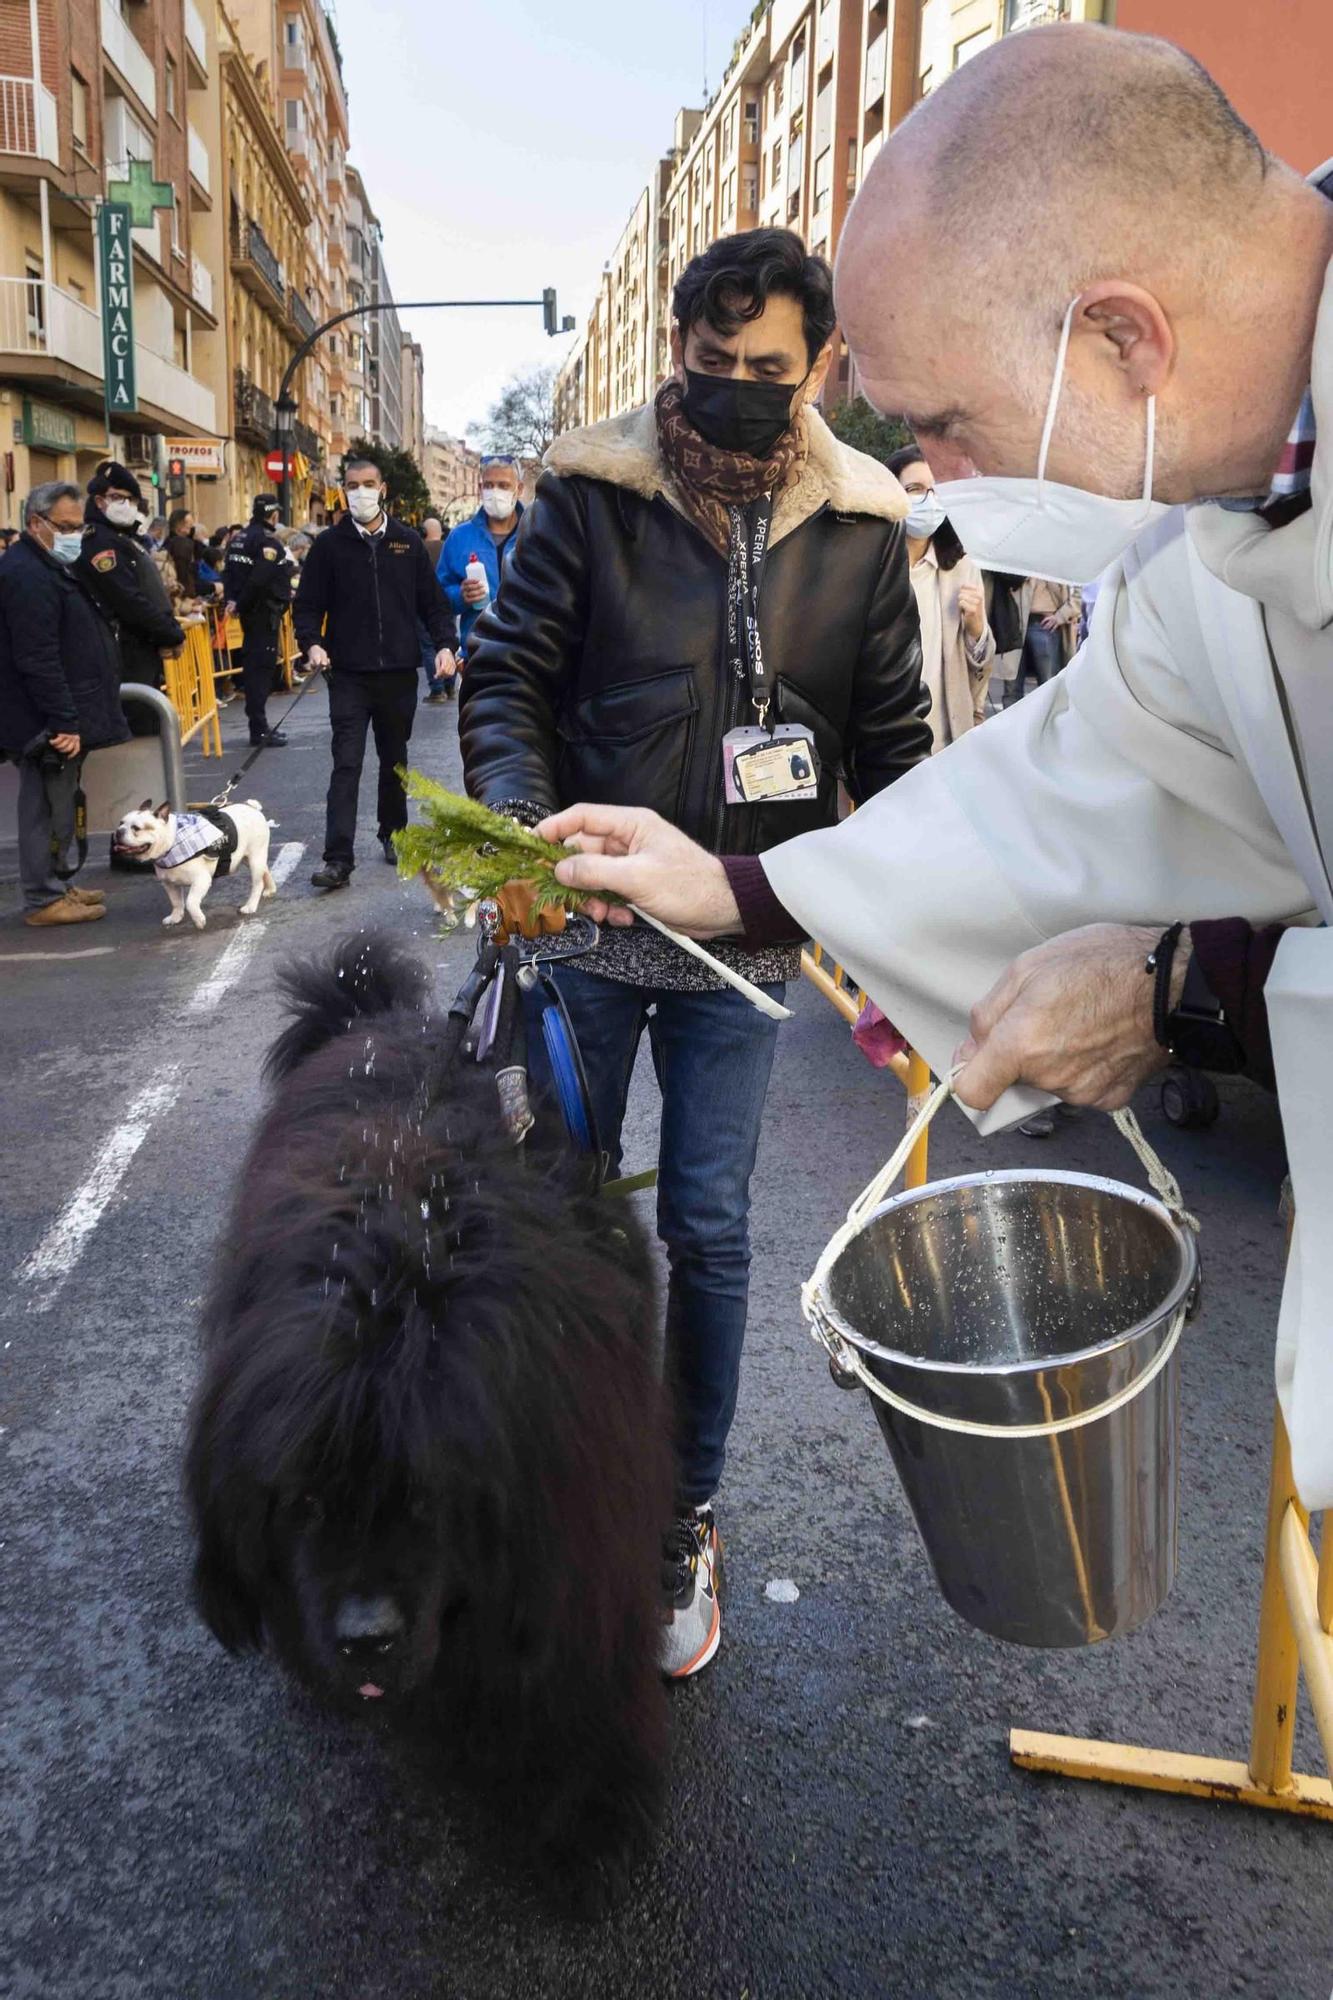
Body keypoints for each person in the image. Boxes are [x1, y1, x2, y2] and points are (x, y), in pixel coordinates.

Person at [534, 28, 1333, 1516]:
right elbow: (1073, 772)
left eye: (948, 426)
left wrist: (1185, 984)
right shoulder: (1213, 534)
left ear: (1123, 340)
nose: (941, 486)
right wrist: (737, 883)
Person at [459, 225, 928, 1677]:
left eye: (766, 369)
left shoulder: (862, 531)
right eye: (711, 364)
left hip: (750, 940)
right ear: (677, 352)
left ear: (821, 368)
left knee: (709, 1230)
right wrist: (522, 833)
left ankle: (681, 1512)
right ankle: (558, 1488)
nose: (734, 388)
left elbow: (902, 752)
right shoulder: (590, 496)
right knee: (565, 1217)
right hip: (592, 929)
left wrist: (906, 927)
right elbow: (508, 681)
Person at [295, 455, 458, 887]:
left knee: (394, 759)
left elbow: (434, 604)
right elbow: (307, 605)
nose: (361, 492)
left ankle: (394, 833)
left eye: (368, 483)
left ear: (383, 488)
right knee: (346, 763)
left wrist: (445, 645)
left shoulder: (408, 543)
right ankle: (338, 858)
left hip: (399, 674)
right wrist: (311, 643)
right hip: (347, 673)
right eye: (352, 485)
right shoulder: (328, 546)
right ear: (343, 490)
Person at [0, 482, 127, 926]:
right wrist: (63, 721)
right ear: (36, 524)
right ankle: (41, 898)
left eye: (80, 527)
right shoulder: (27, 574)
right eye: (66, 527)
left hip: (55, 713)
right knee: (41, 806)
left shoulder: (47, 564)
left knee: (57, 802)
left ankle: (56, 883)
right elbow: (37, 657)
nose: (75, 535)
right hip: (41, 720)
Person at [886, 445, 994, 750]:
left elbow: (982, 665)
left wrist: (977, 628)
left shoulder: (960, 567)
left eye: (936, 490)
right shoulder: (869, 569)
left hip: (944, 739)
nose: (928, 500)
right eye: (914, 489)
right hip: (884, 742)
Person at [77, 462, 184, 697]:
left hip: (140, 647)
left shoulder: (123, 538)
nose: (126, 505)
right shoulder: (100, 542)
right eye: (117, 497)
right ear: (99, 501)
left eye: (131, 499)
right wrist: (169, 632)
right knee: (140, 722)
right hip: (123, 650)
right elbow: (127, 598)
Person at [436, 455, 525, 659]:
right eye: (489, 485)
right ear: (479, 489)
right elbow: (439, 597)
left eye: (503, 485)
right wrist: (461, 596)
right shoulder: (459, 537)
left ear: (519, 489)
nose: (495, 492)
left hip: (528, 655)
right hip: (478, 655)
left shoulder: (537, 534)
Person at [224, 496, 295, 749]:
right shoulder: (266, 543)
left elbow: (229, 573)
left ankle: (260, 726)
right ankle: (259, 729)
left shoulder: (238, 539)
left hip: (249, 613)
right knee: (260, 673)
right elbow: (258, 580)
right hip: (262, 615)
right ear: (273, 515)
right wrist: (240, 603)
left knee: (254, 669)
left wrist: (232, 601)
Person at [1002, 574, 1081, 708]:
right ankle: (1012, 728)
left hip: (1045, 623)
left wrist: (1061, 615)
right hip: (1016, 622)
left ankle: (1049, 728)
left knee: (1049, 689)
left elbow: (1080, 591)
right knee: (1012, 689)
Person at [419, 514, 453, 704]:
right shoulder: (448, 548)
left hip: (425, 607)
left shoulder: (420, 549)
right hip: (448, 603)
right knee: (448, 644)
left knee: (428, 646)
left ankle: (437, 688)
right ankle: (450, 684)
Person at [165, 506, 199, 601]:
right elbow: (184, 571)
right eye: (189, 524)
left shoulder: (167, 542)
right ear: (179, 525)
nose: (192, 526)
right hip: (182, 596)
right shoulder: (182, 544)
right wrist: (190, 596)